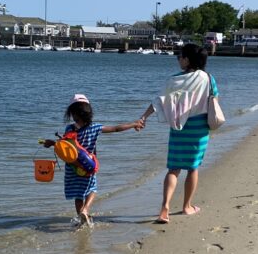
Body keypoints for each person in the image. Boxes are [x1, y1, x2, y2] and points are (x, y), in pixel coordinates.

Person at [140, 44, 218, 224]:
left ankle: (164, 207)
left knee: (173, 169)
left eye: (180, 56)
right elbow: (214, 101)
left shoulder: (174, 80)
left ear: (188, 59)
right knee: (193, 168)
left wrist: (143, 117)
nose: (178, 59)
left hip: (178, 127)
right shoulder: (207, 78)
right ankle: (187, 206)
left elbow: (158, 102)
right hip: (199, 128)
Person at [42, 94, 144, 228]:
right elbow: (116, 129)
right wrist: (134, 124)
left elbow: (66, 147)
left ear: (73, 114)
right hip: (88, 166)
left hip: (72, 168)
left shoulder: (69, 129)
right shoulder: (95, 128)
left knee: (78, 195)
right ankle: (86, 210)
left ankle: (80, 218)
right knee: (92, 189)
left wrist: (52, 143)